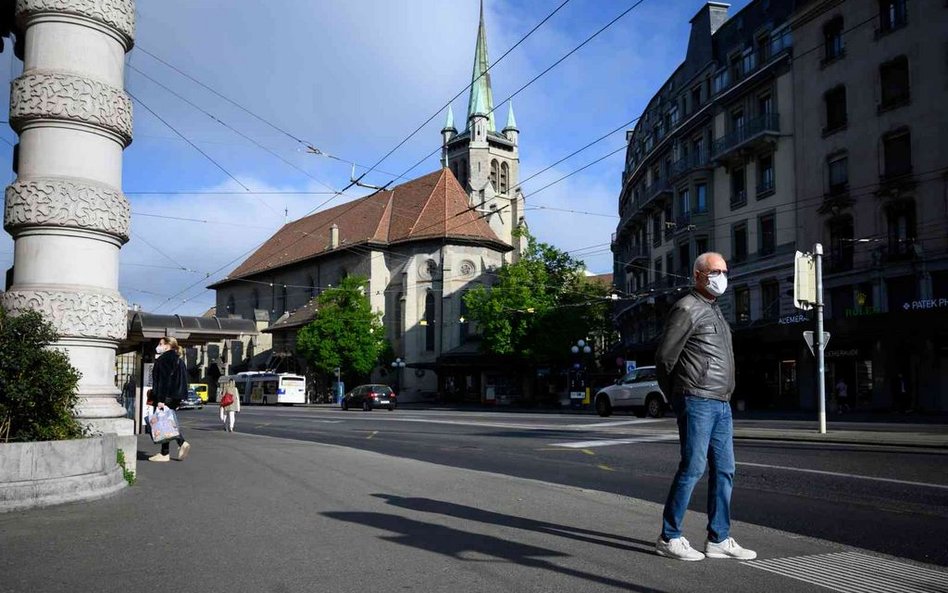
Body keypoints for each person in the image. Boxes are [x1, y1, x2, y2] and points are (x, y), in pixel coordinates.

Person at [653, 252, 756, 562]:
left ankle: (719, 538)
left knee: (725, 470)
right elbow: (664, 358)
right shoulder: (686, 308)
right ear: (698, 274)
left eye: (724, 271)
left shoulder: (715, 310)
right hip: (696, 399)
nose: (721, 276)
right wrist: (678, 397)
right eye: (715, 271)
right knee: (693, 467)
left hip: (721, 403)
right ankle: (669, 536)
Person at [148, 336, 192, 462]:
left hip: (166, 396)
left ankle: (181, 443)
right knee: (166, 421)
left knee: (166, 423)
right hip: (175, 396)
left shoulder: (164, 360)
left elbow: (163, 381)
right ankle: (164, 453)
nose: (158, 346)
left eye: (161, 343)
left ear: (168, 345)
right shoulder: (178, 360)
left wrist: (161, 399)